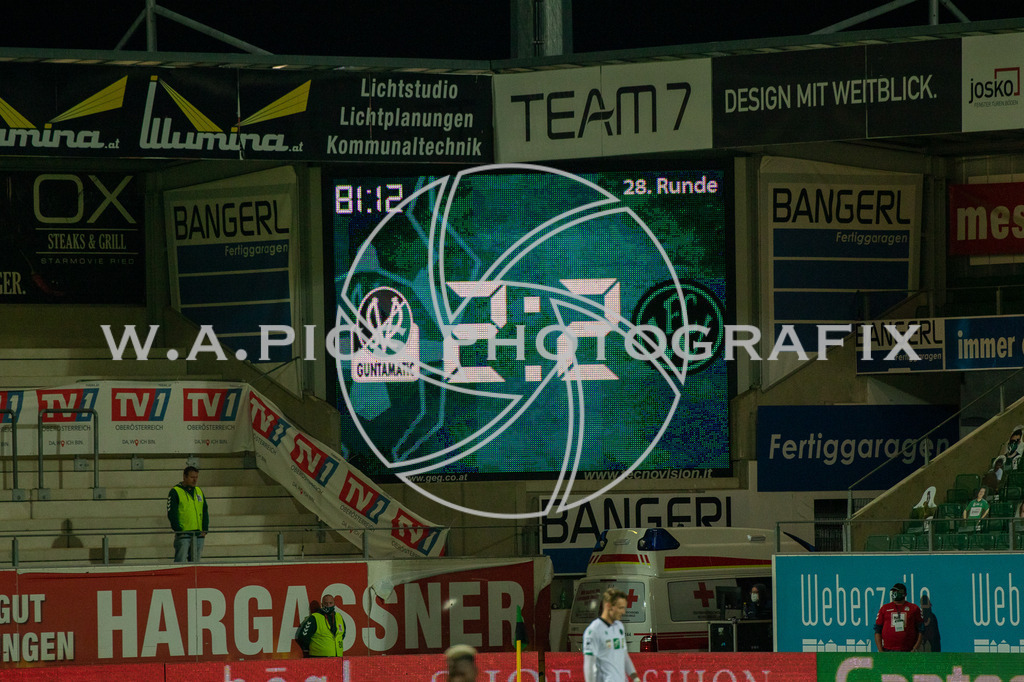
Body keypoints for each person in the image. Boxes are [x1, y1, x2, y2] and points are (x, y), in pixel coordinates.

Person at [583, 588, 640, 682]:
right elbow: (589, 664)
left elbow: (624, 655)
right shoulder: (594, 630)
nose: (623, 612)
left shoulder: (619, 626)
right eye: (620, 608)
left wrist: (635, 677)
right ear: (608, 606)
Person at [166, 466, 209, 563]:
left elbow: (205, 510)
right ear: (184, 477)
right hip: (184, 534)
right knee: (180, 561)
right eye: (192, 477)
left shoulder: (199, 491)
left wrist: (205, 528)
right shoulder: (175, 491)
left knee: (195, 565)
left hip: (198, 534)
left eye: (196, 477)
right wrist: (178, 530)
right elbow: (171, 513)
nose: (195, 480)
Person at [874, 582, 923, 652]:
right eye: (893, 591)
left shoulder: (913, 608)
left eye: (897, 591)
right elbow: (877, 630)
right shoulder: (885, 608)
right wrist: (880, 650)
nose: (894, 593)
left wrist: (915, 648)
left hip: (908, 650)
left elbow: (921, 630)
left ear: (904, 594)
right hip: (888, 650)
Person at [296, 593, 345, 657]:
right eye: (326, 603)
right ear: (322, 605)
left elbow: (342, 634)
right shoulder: (314, 618)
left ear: (334, 604)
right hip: (318, 657)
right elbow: (303, 637)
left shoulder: (339, 616)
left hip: (338, 657)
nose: (328, 605)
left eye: (330, 603)